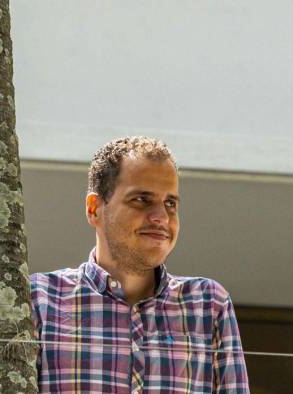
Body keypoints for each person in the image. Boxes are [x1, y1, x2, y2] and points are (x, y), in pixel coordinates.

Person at [31, 136, 249, 393]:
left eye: (170, 203)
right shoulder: (40, 299)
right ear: (94, 209)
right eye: (141, 200)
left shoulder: (208, 305)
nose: (161, 217)